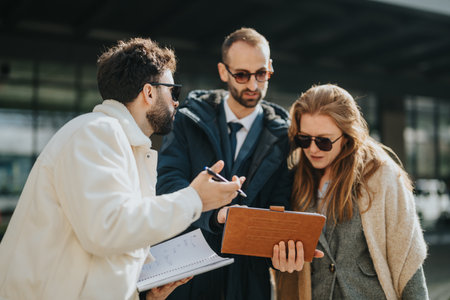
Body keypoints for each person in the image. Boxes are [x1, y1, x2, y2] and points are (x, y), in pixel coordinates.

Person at [0, 37, 244, 300]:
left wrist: (143, 293)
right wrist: (194, 198)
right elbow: (107, 228)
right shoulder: (96, 132)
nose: (176, 103)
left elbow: (111, 243)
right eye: (173, 92)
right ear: (149, 92)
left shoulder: (123, 144)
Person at [156, 27, 299, 300]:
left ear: (270, 68)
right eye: (242, 75)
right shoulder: (187, 120)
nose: (254, 85)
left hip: (248, 283)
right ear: (224, 72)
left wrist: (282, 252)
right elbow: (167, 185)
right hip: (188, 277)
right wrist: (213, 214)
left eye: (261, 74)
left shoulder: (284, 137)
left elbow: (282, 203)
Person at [273, 84, 428, 299]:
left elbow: (408, 262)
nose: (313, 149)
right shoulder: (294, 178)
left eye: (324, 141)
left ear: (346, 136)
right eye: (304, 139)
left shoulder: (382, 176)